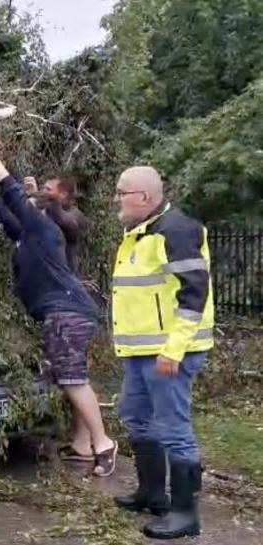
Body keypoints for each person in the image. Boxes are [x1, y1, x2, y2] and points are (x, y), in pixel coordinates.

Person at [0, 130, 117, 477]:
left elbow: (12, 195)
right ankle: (81, 443)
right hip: (65, 312)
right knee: (73, 376)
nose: (23, 212)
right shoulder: (26, 235)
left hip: (67, 312)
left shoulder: (46, 232)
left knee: (72, 377)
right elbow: (1, 210)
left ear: (40, 213)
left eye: (29, 209)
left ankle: (104, 444)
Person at [109, 166, 214, 540]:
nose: (117, 199)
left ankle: (185, 514)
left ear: (145, 197)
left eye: (122, 193)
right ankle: (152, 494)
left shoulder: (175, 230)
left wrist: (174, 349)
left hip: (171, 352)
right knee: (136, 417)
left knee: (173, 428)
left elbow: (194, 294)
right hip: (142, 351)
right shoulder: (141, 233)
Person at [23, 175, 91, 275]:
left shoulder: (75, 215)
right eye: (43, 188)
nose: (44, 192)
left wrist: (37, 195)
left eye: (48, 189)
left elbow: (63, 220)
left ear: (63, 194)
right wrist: (32, 196)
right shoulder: (47, 208)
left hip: (63, 279)